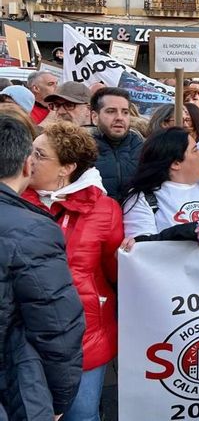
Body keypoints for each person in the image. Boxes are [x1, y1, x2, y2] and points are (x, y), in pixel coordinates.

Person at [21, 122, 122, 421]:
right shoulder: (14, 200)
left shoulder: (105, 210)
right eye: (30, 151)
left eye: (39, 154)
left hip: (85, 336)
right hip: (26, 335)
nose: (29, 159)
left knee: (82, 415)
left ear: (67, 167)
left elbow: (112, 272)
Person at [0, 115, 85, 420]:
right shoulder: (33, 230)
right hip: (14, 387)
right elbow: (56, 326)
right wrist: (58, 401)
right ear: (27, 166)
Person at [89, 87, 143, 202]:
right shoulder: (82, 150)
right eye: (111, 111)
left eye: (125, 112)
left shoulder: (144, 148)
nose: (119, 117)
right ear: (95, 117)